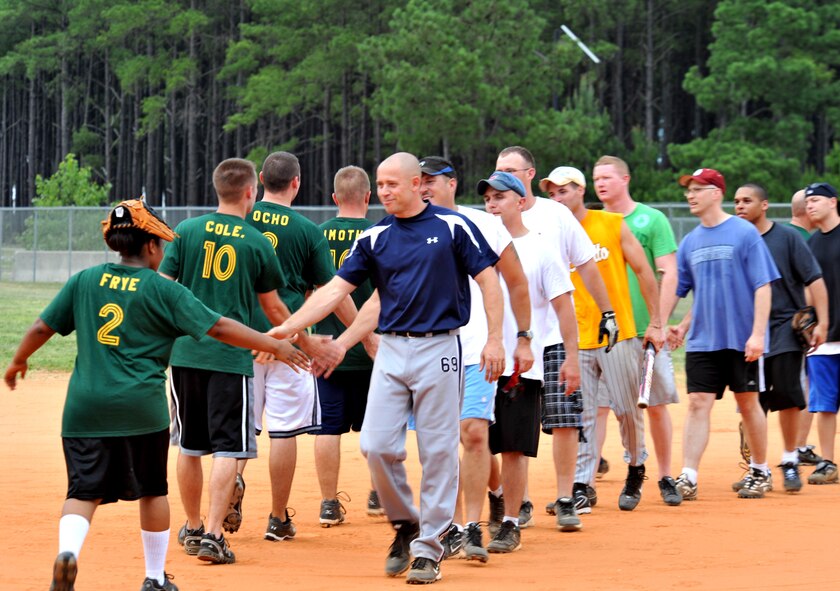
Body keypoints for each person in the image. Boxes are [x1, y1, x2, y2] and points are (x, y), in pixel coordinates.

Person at [4, 198, 304, 591]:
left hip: (83, 408)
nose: (163, 252)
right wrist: (272, 342)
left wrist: (19, 360)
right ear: (149, 247)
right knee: (152, 491)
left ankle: (69, 554)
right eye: (160, 245)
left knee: (82, 491)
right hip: (140, 409)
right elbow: (218, 327)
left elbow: (43, 327)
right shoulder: (163, 291)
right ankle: (154, 576)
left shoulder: (84, 280)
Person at [268, 152, 505, 585]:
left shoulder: (452, 228)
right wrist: (287, 327)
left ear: (419, 185)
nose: (385, 191)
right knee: (376, 445)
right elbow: (335, 291)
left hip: (440, 348)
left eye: (394, 183)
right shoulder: (376, 237)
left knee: (435, 451)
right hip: (392, 350)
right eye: (380, 184)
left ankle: (429, 549)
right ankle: (405, 524)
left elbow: (489, 279)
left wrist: (495, 339)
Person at [160, 158, 315, 565]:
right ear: (250, 191)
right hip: (230, 358)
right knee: (229, 447)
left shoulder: (186, 231)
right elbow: (275, 308)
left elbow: (161, 289)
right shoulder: (255, 241)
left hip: (186, 355)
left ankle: (193, 525)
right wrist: (306, 342)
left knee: (190, 445)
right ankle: (213, 534)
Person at [494, 146, 617, 524]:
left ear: (530, 174)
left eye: (512, 170)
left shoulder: (556, 214)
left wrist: (606, 311)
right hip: (513, 339)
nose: (504, 176)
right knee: (516, 424)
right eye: (499, 170)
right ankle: (523, 500)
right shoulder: (492, 218)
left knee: (564, 417)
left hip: (554, 336)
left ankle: (566, 497)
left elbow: (586, 265)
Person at [419, 157, 533, 562]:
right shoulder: (407, 226)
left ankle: (469, 526)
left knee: (472, 433)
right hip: (428, 352)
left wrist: (517, 338)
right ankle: (453, 520)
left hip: (477, 350)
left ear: (451, 183)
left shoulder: (483, 224)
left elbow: (516, 283)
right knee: (439, 442)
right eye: (420, 182)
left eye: (431, 181)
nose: (425, 188)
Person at [246, 151, 358, 537]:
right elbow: (334, 292)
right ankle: (277, 517)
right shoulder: (308, 230)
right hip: (290, 340)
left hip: (239, 338)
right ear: (297, 183)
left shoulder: (238, 217)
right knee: (284, 431)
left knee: (242, 432)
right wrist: (364, 332)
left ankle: (230, 495)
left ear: (260, 179)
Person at [541, 166, 663, 512]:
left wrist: (655, 321)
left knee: (626, 409)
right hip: (574, 337)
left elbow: (643, 269)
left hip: (616, 333)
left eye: (563, 191)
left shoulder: (609, 224)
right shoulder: (550, 232)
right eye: (551, 193)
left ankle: (636, 466)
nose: (557, 198)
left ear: (580, 191)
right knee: (583, 413)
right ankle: (582, 485)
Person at [478, 171, 581, 550]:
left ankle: (509, 520)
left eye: (500, 197)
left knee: (514, 446)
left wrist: (571, 356)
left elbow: (563, 306)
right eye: (488, 198)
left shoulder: (540, 248)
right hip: (478, 361)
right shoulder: (475, 247)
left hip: (522, 364)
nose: (491, 204)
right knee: (475, 442)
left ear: (521, 202)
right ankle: (497, 494)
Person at [665, 168, 780, 501]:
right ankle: (688, 475)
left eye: (698, 189)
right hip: (704, 339)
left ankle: (760, 468)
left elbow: (763, 285)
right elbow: (685, 289)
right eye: (689, 190)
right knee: (698, 403)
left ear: (716, 193)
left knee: (748, 403)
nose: (690, 195)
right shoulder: (690, 241)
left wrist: (758, 334)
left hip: (741, 337)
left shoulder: (744, 233)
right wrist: (673, 325)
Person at [592, 155, 682, 505]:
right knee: (600, 407)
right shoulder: (592, 222)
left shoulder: (651, 219)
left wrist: (658, 322)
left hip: (643, 330)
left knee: (655, 403)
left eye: (607, 177)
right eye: (596, 178)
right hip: (605, 333)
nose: (600, 184)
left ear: (625, 179)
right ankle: (587, 486)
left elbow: (668, 272)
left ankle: (665, 476)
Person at [733, 183, 828, 492]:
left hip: (785, 327)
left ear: (764, 205)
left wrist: (821, 322)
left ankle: (789, 461)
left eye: (747, 200)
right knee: (751, 402)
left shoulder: (786, 238)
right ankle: (757, 468)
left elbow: (814, 279)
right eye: (736, 201)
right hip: (747, 332)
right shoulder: (735, 240)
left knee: (787, 394)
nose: (740, 206)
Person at [312, 165, 380, 524]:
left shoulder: (318, 235)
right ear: (368, 197)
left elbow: (311, 293)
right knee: (380, 425)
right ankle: (377, 494)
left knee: (328, 428)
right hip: (376, 348)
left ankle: (328, 502)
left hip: (327, 347)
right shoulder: (382, 232)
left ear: (335, 198)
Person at [803, 181, 840, 484]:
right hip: (823, 338)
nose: (809, 205)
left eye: (815, 199)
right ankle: (827, 462)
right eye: (807, 201)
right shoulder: (812, 243)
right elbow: (807, 290)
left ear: (833, 202)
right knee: (824, 403)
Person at [787, 189, 824, 466]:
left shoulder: (778, 235)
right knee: (810, 385)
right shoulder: (810, 241)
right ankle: (798, 446)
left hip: (772, 324)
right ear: (804, 210)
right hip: (801, 325)